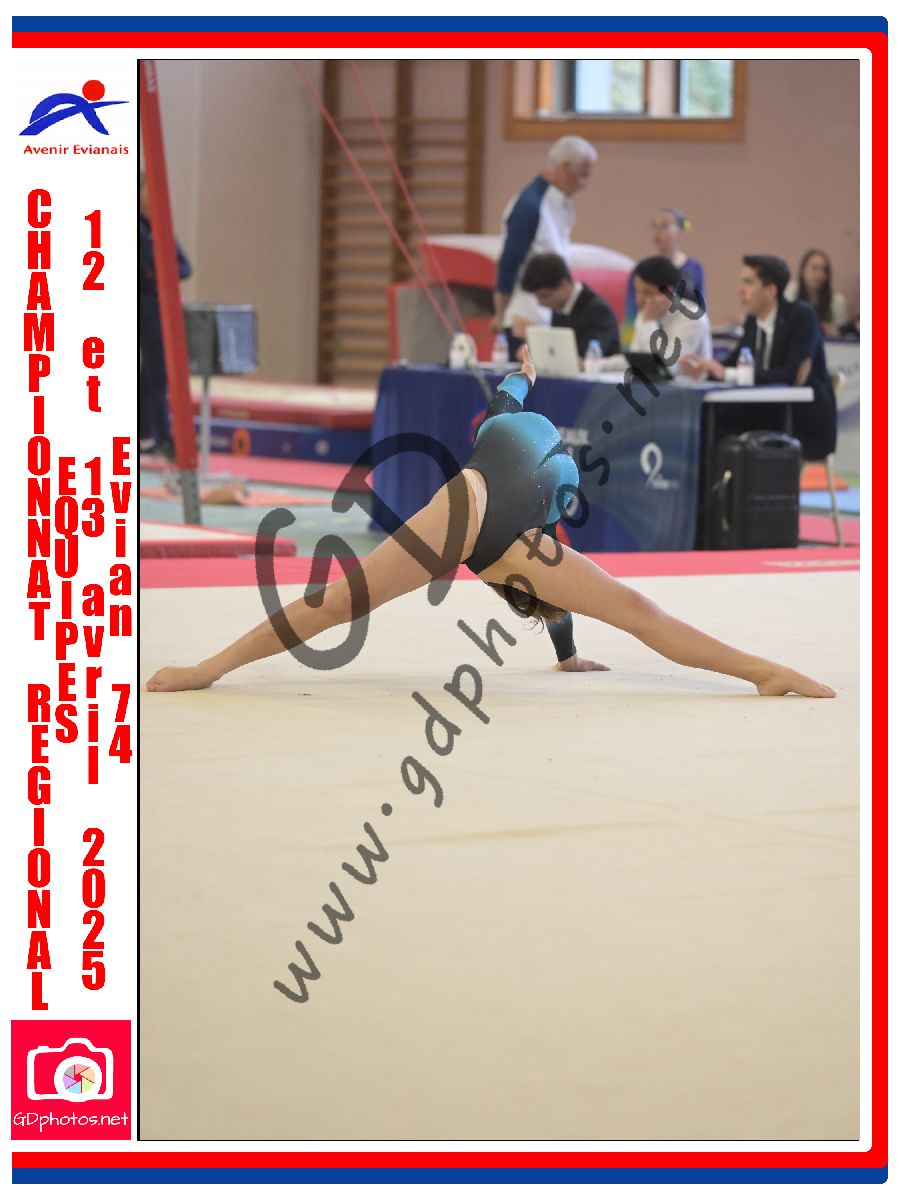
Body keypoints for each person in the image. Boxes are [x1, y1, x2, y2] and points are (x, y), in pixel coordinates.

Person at [148, 349, 834, 700]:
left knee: (637, 609)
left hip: (486, 520)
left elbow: (511, 394)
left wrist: (524, 375)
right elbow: (513, 391)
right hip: (470, 511)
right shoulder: (535, 526)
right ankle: (208, 670)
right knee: (338, 602)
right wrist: (524, 373)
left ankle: (761, 673)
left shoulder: (527, 515)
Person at [680, 255, 837, 462]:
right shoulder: (753, 320)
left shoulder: (801, 316)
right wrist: (706, 368)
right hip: (766, 410)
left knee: (718, 423)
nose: (740, 290)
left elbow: (791, 376)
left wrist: (726, 373)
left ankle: (729, 479)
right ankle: (715, 481)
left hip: (802, 417)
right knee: (705, 417)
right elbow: (736, 360)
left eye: (748, 282)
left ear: (770, 290)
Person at [492, 136, 598, 346]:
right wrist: (500, 313)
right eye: (583, 175)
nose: (585, 184)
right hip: (525, 315)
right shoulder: (530, 205)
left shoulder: (561, 204)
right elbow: (510, 260)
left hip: (551, 316)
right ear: (565, 166)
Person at [139, 172, 192, 459]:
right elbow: (147, 267)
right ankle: (161, 436)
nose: (153, 197)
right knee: (156, 373)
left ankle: (146, 434)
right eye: (148, 191)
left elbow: (185, 267)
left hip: (160, 307)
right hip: (143, 305)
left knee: (152, 374)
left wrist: (164, 273)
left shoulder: (161, 228)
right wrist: (160, 273)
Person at [514, 252, 621, 358]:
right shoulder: (560, 306)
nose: (540, 303)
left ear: (563, 285)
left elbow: (585, 356)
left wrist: (537, 339)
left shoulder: (598, 311)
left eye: (544, 296)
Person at [624, 207, 705, 330]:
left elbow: (701, 307)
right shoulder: (641, 271)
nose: (657, 232)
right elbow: (630, 312)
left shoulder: (694, 268)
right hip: (647, 329)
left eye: (664, 226)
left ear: (680, 232)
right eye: (654, 226)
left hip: (683, 328)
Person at [784, 248, 848, 339]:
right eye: (814, 268)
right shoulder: (790, 292)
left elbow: (842, 333)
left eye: (824, 270)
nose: (819, 274)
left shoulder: (837, 301)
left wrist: (834, 330)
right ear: (803, 270)